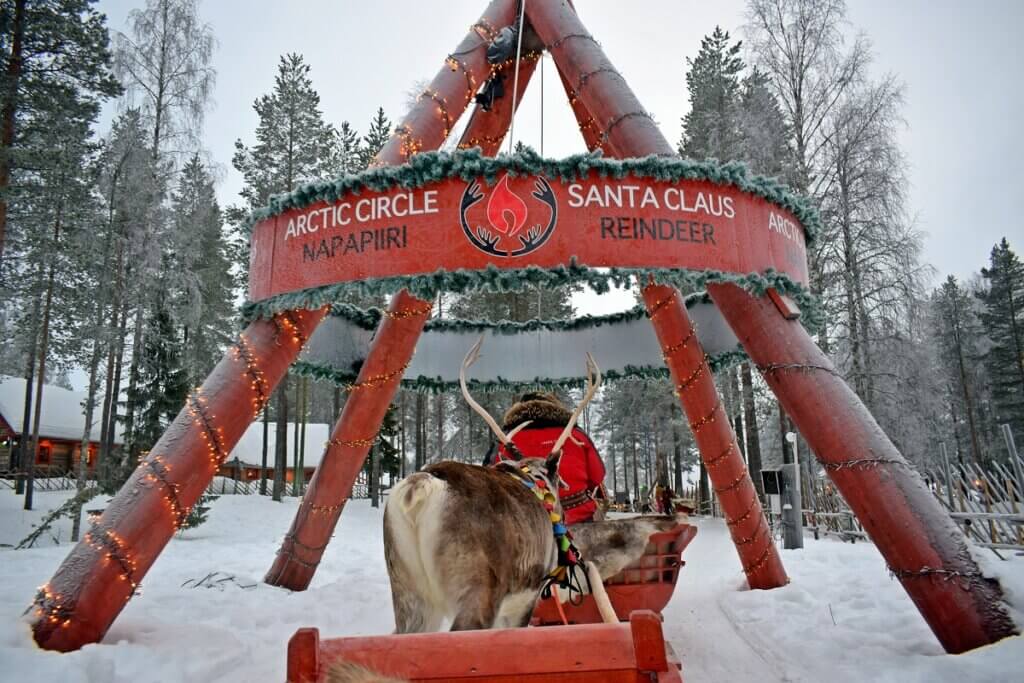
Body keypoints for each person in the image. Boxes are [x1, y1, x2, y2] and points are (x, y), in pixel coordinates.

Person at [492, 391, 606, 524]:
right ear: (555, 406)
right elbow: (597, 476)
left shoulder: (505, 439)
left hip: (524, 523)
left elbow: (491, 478)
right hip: (577, 517)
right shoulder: (576, 434)